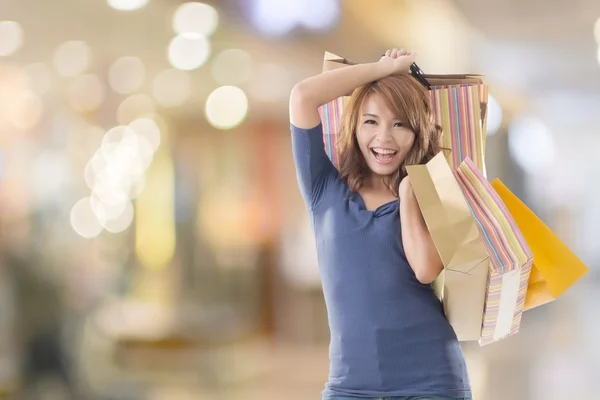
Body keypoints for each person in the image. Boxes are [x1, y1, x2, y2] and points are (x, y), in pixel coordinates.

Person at [288, 48, 472, 400]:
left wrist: (408, 193)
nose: (384, 139)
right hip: (348, 388)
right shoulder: (323, 189)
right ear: (354, 126)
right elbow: (303, 96)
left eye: (400, 124)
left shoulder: (431, 191)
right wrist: (381, 69)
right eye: (371, 121)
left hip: (431, 381)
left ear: (417, 132)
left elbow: (425, 269)